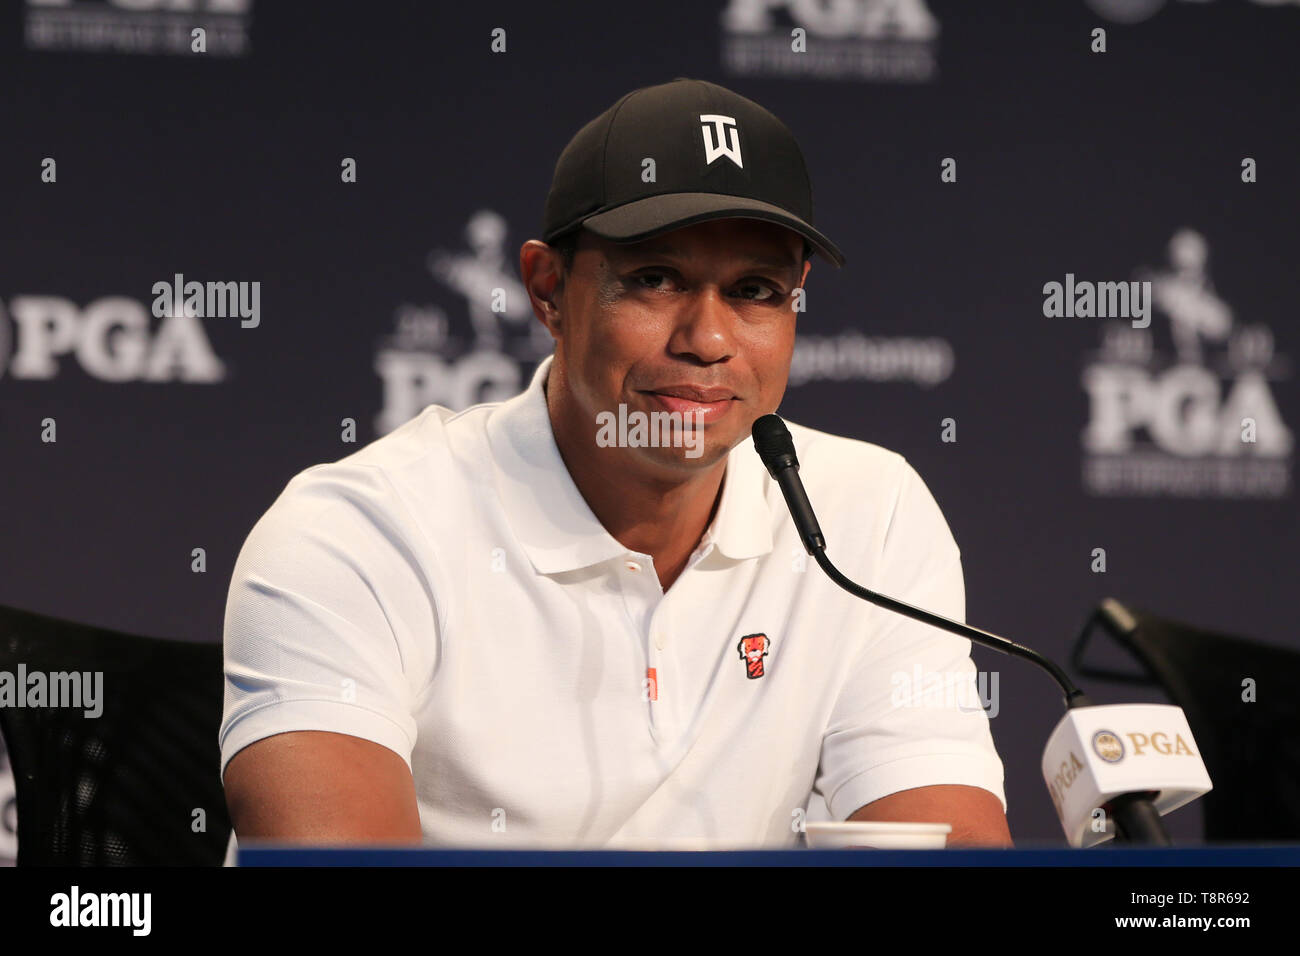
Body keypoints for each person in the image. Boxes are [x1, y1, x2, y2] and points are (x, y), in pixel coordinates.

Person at [220, 78, 1010, 857]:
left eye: (755, 290)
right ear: (547, 288)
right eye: (654, 279)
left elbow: (948, 844)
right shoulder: (359, 532)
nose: (707, 339)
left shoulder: (871, 514)